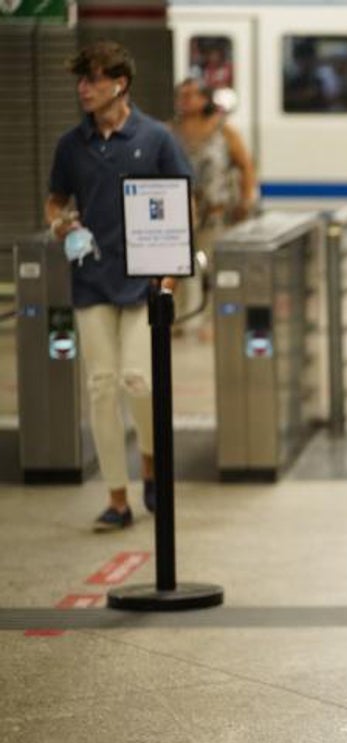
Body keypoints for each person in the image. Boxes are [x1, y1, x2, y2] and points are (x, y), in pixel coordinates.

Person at [44, 41, 193, 532]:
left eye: (93, 79)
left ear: (119, 84)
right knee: (101, 387)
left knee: (138, 380)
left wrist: (171, 273)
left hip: (144, 280)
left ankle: (150, 461)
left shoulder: (156, 138)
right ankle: (116, 498)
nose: (83, 89)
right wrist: (60, 223)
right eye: (81, 80)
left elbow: (184, 203)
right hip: (91, 277)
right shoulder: (72, 145)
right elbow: (55, 200)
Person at [169, 77, 257, 339]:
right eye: (181, 95)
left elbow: (246, 166)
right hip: (178, 214)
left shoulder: (223, 131)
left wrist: (246, 199)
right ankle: (176, 318)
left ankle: (211, 320)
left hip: (215, 212)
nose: (185, 101)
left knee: (213, 267)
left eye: (192, 95)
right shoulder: (169, 131)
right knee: (176, 268)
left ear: (205, 99)